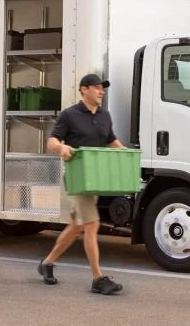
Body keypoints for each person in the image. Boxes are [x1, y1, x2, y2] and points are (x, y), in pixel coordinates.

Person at [37, 74, 125, 295]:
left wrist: (126, 154)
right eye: (96, 87)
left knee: (77, 225)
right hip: (78, 178)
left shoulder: (105, 116)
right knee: (92, 225)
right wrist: (62, 149)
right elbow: (52, 141)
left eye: (102, 88)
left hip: (96, 178)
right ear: (83, 90)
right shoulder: (70, 115)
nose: (101, 91)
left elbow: (111, 141)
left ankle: (47, 263)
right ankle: (98, 279)